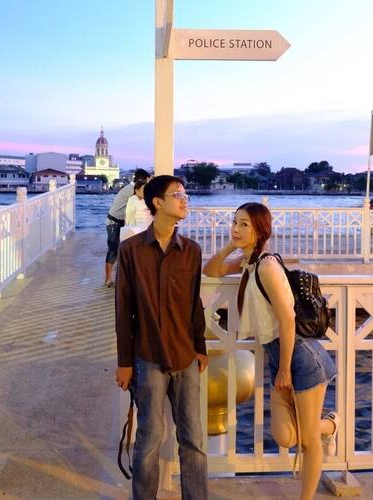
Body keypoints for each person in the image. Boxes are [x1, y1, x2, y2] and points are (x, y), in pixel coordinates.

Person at [202, 202, 338, 500]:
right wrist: (231, 246)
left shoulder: (266, 265)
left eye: (245, 225)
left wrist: (285, 369)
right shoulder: (248, 262)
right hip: (282, 358)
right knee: (285, 436)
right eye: (235, 222)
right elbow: (210, 270)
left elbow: (288, 318)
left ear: (261, 230)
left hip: (302, 360)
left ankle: (306, 495)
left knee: (308, 441)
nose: (237, 229)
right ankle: (330, 424)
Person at [115, 175, 208, 499]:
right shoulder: (131, 252)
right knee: (149, 439)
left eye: (185, 194)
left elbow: (195, 302)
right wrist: (125, 363)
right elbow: (123, 311)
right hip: (148, 357)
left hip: (185, 357)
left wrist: (201, 347)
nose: (185, 200)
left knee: (193, 439)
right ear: (157, 202)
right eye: (178, 195)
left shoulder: (192, 251)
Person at [106, 169, 152, 287]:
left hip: (121, 222)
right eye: (148, 180)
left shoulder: (134, 189)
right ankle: (108, 279)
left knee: (122, 250)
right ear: (143, 180)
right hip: (114, 222)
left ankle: (121, 278)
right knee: (114, 250)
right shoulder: (133, 190)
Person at [120, 178, 152, 242]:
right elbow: (130, 215)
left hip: (144, 228)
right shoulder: (132, 199)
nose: (145, 192)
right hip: (135, 229)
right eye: (143, 190)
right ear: (137, 190)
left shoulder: (144, 199)